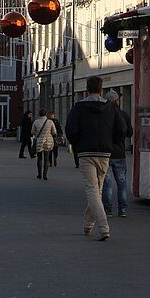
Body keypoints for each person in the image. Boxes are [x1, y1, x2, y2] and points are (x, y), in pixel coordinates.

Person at [65, 76, 126, 241]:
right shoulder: (111, 108)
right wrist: (111, 142)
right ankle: (87, 225)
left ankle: (103, 227)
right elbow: (121, 129)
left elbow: (70, 129)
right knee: (96, 190)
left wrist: (77, 144)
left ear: (86, 87)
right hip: (105, 153)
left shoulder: (78, 107)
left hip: (86, 152)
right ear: (101, 88)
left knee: (92, 189)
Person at [102, 90, 133, 218]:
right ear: (116, 101)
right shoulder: (124, 115)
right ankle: (122, 209)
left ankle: (108, 209)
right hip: (120, 153)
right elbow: (129, 133)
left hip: (106, 152)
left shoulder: (103, 115)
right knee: (121, 182)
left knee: (107, 182)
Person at [32, 109, 56, 180]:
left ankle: (39, 174)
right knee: (46, 158)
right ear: (45, 114)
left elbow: (32, 132)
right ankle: (45, 175)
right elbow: (54, 132)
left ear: (39, 114)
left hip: (39, 141)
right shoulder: (50, 122)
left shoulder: (36, 122)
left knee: (39, 158)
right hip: (48, 141)